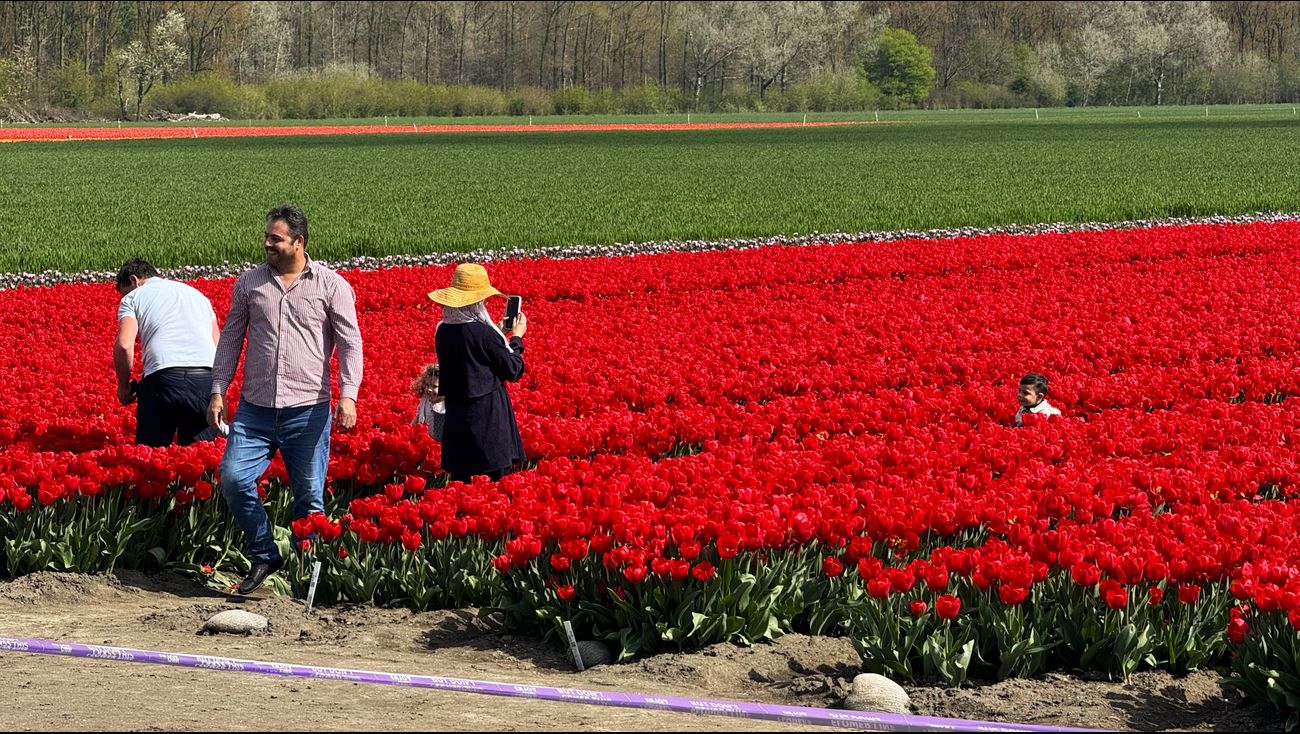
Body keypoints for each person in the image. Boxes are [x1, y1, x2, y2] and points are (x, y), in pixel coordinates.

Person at [207, 204, 363, 595]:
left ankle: (310, 587)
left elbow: (350, 343)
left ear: (299, 242)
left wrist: (348, 395)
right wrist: (217, 389)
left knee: (309, 501)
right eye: (267, 237)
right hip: (255, 410)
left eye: (275, 239)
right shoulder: (249, 284)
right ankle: (264, 552)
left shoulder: (331, 285)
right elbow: (230, 339)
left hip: (308, 410)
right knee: (233, 476)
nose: (267, 244)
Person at [429, 264, 527, 484]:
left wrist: (498, 334)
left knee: (461, 488)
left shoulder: (443, 331)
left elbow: (472, 354)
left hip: (457, 421)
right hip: (488, 419)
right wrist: (516, 339)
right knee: (491, 487)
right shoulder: (483, 333)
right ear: (476, 301)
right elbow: (513, 370)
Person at [113, 258, 221, 447]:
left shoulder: (133, 297)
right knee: (200, 456)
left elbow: (124, 344)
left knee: (151, 456)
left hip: (163, 380)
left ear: (134, 280)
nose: (124, 297)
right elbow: (218, 345)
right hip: (205, 379)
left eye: (124, 292)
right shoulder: (198, 296)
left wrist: (123, 386)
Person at [412, 363, 446, 441]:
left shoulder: (445, 407)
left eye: (434, 386)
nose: (429, 389)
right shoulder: (425, 399)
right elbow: (417, 418)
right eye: (427, 385)